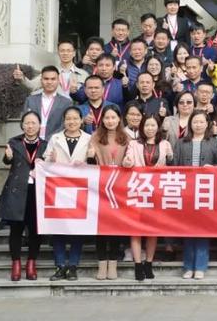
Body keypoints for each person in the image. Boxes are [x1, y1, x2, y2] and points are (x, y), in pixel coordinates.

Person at [0, 111, 47, 281]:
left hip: (37, 192)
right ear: (22, 125)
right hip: (16, 191)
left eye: (33, 123)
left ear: (39, 126)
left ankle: (31, 263)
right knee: (16, 229)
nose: (30, 126)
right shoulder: (14, 142)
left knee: (35, 229)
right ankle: (16, 263)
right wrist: (7, 156)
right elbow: (7, 160)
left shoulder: (46, 145)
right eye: (27, 123)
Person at [122, 113, 173, 281]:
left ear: (158, 127)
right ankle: (138, 264)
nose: (150, 128)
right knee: (135, 230)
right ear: (142, 127)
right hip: (138, 190)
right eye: (147, 125)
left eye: (153, 125)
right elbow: (128, 160)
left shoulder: (165, 144)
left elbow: (171, 164)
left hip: (156, 192)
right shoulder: (134, 144)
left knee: (152, 230)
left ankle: (148, 263)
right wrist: (127, 162)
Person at [43, 106, 90, 281]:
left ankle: (73, 265)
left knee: (78, 229)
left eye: (75, 118)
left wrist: (87, 162)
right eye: (68, 118)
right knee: (58, 228)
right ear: (64, 121)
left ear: (81, 120)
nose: (72, 122)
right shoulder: (55, 138)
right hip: (58, 189)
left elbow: (94, 164)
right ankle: (60, 265)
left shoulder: (89, 139)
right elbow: (46, 161)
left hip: (80, 189)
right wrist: (51, 160)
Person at [174, 111, 217, 279]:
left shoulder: (213, 142)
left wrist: (214, 168)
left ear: (207, 124)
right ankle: (188, 266)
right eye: (195, 122)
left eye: (201, 122)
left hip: (205, 191)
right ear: (190, 124)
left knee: (202, 229)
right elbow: (174, 165)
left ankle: (200, 266)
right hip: (186, 191)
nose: (198, 125)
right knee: (188, 230)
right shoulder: (181, 143)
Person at [86, 105, 129, 280]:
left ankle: (113, 264)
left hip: (120, 188)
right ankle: (102, 264)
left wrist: (128, 161)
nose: (110, 121)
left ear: (119, 119)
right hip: (101, 187)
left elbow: (131, 160)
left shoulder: (126, 138)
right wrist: (90, 157)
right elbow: (89, 165)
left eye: (113, 117)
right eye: (107, 118)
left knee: (116, 227)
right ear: (102, 120)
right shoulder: (95, 137)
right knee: (101, 228)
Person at [22, 65, 73, 140]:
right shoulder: (30, 100)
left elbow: (65, 125)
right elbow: (24, 122)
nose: (49, 82)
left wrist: (49, 140)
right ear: (41, 80)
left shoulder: (66, 103)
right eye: (46, 79)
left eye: (53, 79)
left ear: (58, 81)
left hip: (56, 142)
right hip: (33, 141)